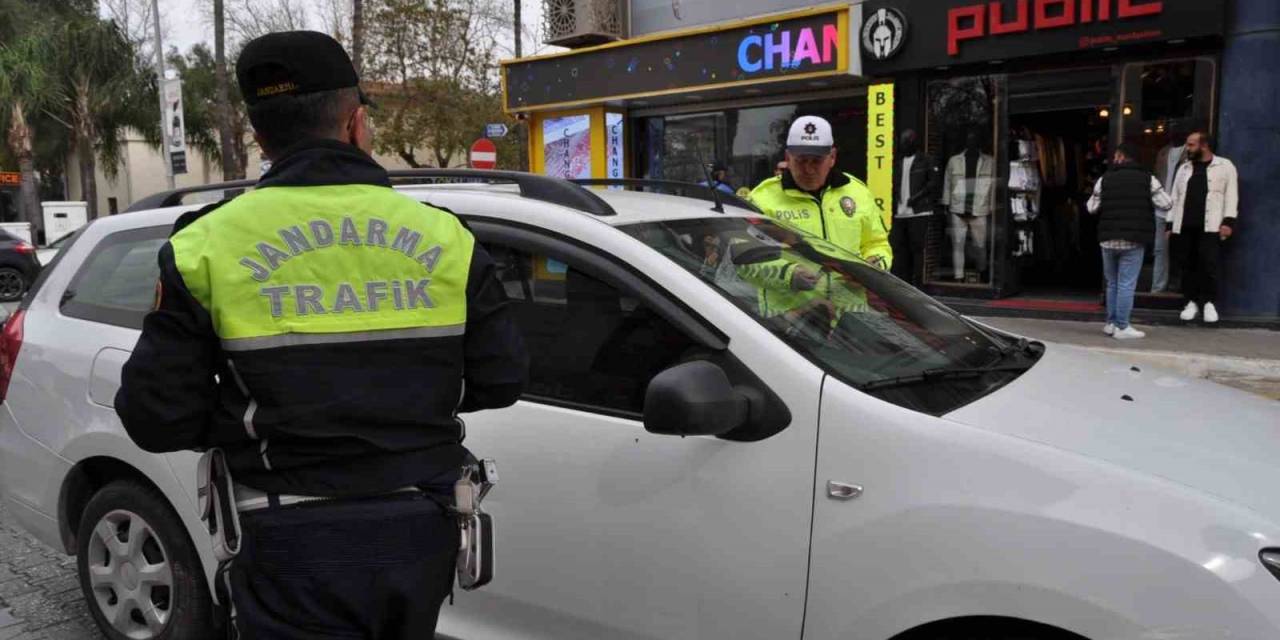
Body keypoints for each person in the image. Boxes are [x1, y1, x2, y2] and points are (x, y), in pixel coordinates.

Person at [114, 31, 528, 638]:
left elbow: (154, 417)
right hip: (422, 525)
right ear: (357, 124)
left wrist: (247, 421)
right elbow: (502, 379)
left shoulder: (205, 245)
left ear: (260, 137)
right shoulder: (447, 238)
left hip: (285, 535)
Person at [749, 115, 892, 271]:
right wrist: (788, 274)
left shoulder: (858, 192)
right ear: (788, 158)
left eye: (817, 161)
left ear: (832, 157)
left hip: (850, 295)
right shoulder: (761, 199)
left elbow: (876, 243)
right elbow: (748, 256)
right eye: (801, 161)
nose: (809, 169)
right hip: (794, 294)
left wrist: (874, 265)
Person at [1087, 143, 1172, 339]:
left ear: (1120, 157)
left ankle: (1110, 323)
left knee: (1112, 283)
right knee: (1126, 284)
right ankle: (1123, 327)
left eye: (1116, 155)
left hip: (1107, 239)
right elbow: (1167, 203)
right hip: (1134, 239)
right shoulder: (1147, 179)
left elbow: (1091, 207)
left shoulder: (1104, 179)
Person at [1166, 130, 1239, 324]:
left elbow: (1231, 195)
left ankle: (1208, 303)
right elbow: (1174, 196)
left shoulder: (1225, 166)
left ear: (1204, 146)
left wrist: (1228, 221)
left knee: (1209, 265)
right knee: (1187, 265)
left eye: (1191, 145)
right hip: (1184, 225)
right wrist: (1170, 224)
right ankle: (1190, 302)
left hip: (1212, 225)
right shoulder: (1184, 168)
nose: (1187, 148)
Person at [941, 129, 995, 281]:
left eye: (975, 139)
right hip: (958, 208)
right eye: (969, 139)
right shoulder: (954, 161)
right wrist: (946, 204)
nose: (972, 142)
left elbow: (994, 187)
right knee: (958, 245)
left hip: (980, 209)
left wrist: (991, 207)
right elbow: (947, 183)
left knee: (980, 245)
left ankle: (982, 271)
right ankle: (959, 276)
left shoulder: (989, 162)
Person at [889, 129, 941, 286]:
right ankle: (902, 283)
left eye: (906, 142)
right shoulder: (898, 162)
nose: (903, 145)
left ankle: (918, 285)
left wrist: (917, 198)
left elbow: (933, 183)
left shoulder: (925, 160)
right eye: (902, 142)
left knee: (917, 249)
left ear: (913, 142)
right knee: (899, 248)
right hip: (900, 212)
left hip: (919, 212)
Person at [1151, 128, 1187, 292]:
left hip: (1182, 209)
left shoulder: (1190, 151)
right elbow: (1156, 178)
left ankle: (1181, 286)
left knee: (1182, 248)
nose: (1171, 131)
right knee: (1160, 249)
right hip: (1161, 208)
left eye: (1176, 127)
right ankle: (1158, 288)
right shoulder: (1163, 152)